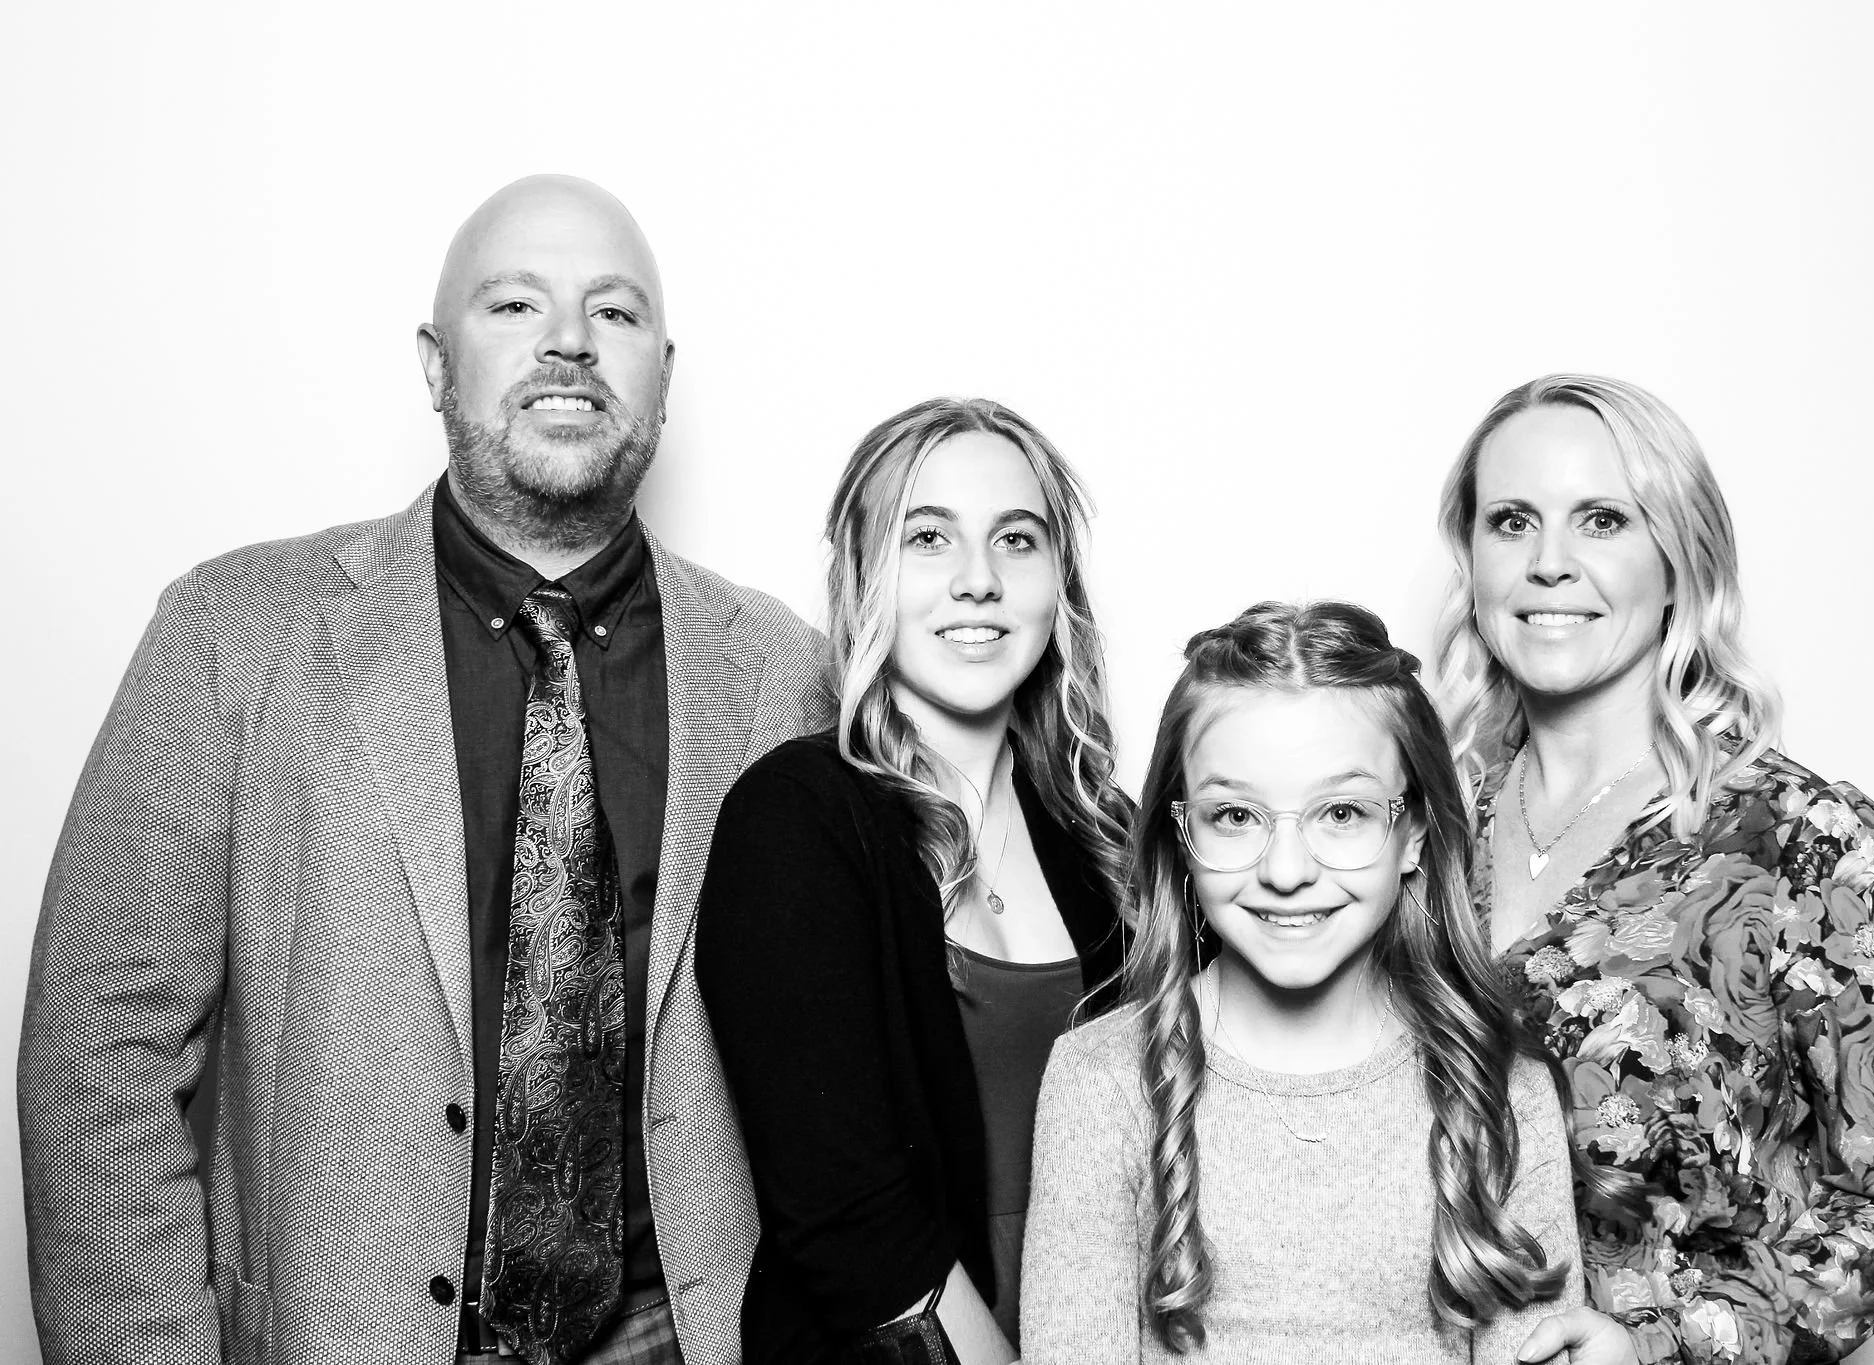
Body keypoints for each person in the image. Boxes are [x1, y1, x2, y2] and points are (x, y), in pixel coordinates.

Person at [18, 175, 831, 1365]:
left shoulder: (786, 674)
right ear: (434, 363)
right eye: (514, 305)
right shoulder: (233, 634)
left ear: (663, 366)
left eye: (612, 314)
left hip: (684, 1338)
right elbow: (101, 1044)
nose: (567, 341)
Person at [1434, 374, 1874, 1365]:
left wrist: (1663, 1347)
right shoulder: (1409, 827)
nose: (1549, 564)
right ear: (1469, 560)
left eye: (1600, 519)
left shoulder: (1814, 850)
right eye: (1510, 521)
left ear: (1679, 559)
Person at [1022, 600, 1585, 1363]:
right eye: (1234, 816)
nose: (1287, 870)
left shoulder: (1499, 1089)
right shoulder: (1101, 1083)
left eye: (1343, 811)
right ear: (1181, 835)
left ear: (1413, 829)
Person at [695, 398, 1131, 1364]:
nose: (979, 581)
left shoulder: (1109, 835)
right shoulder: (795, 819)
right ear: (862, 574)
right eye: (927, 538)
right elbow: (852, 1224)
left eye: (1017, 540)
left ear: (1058, 582)